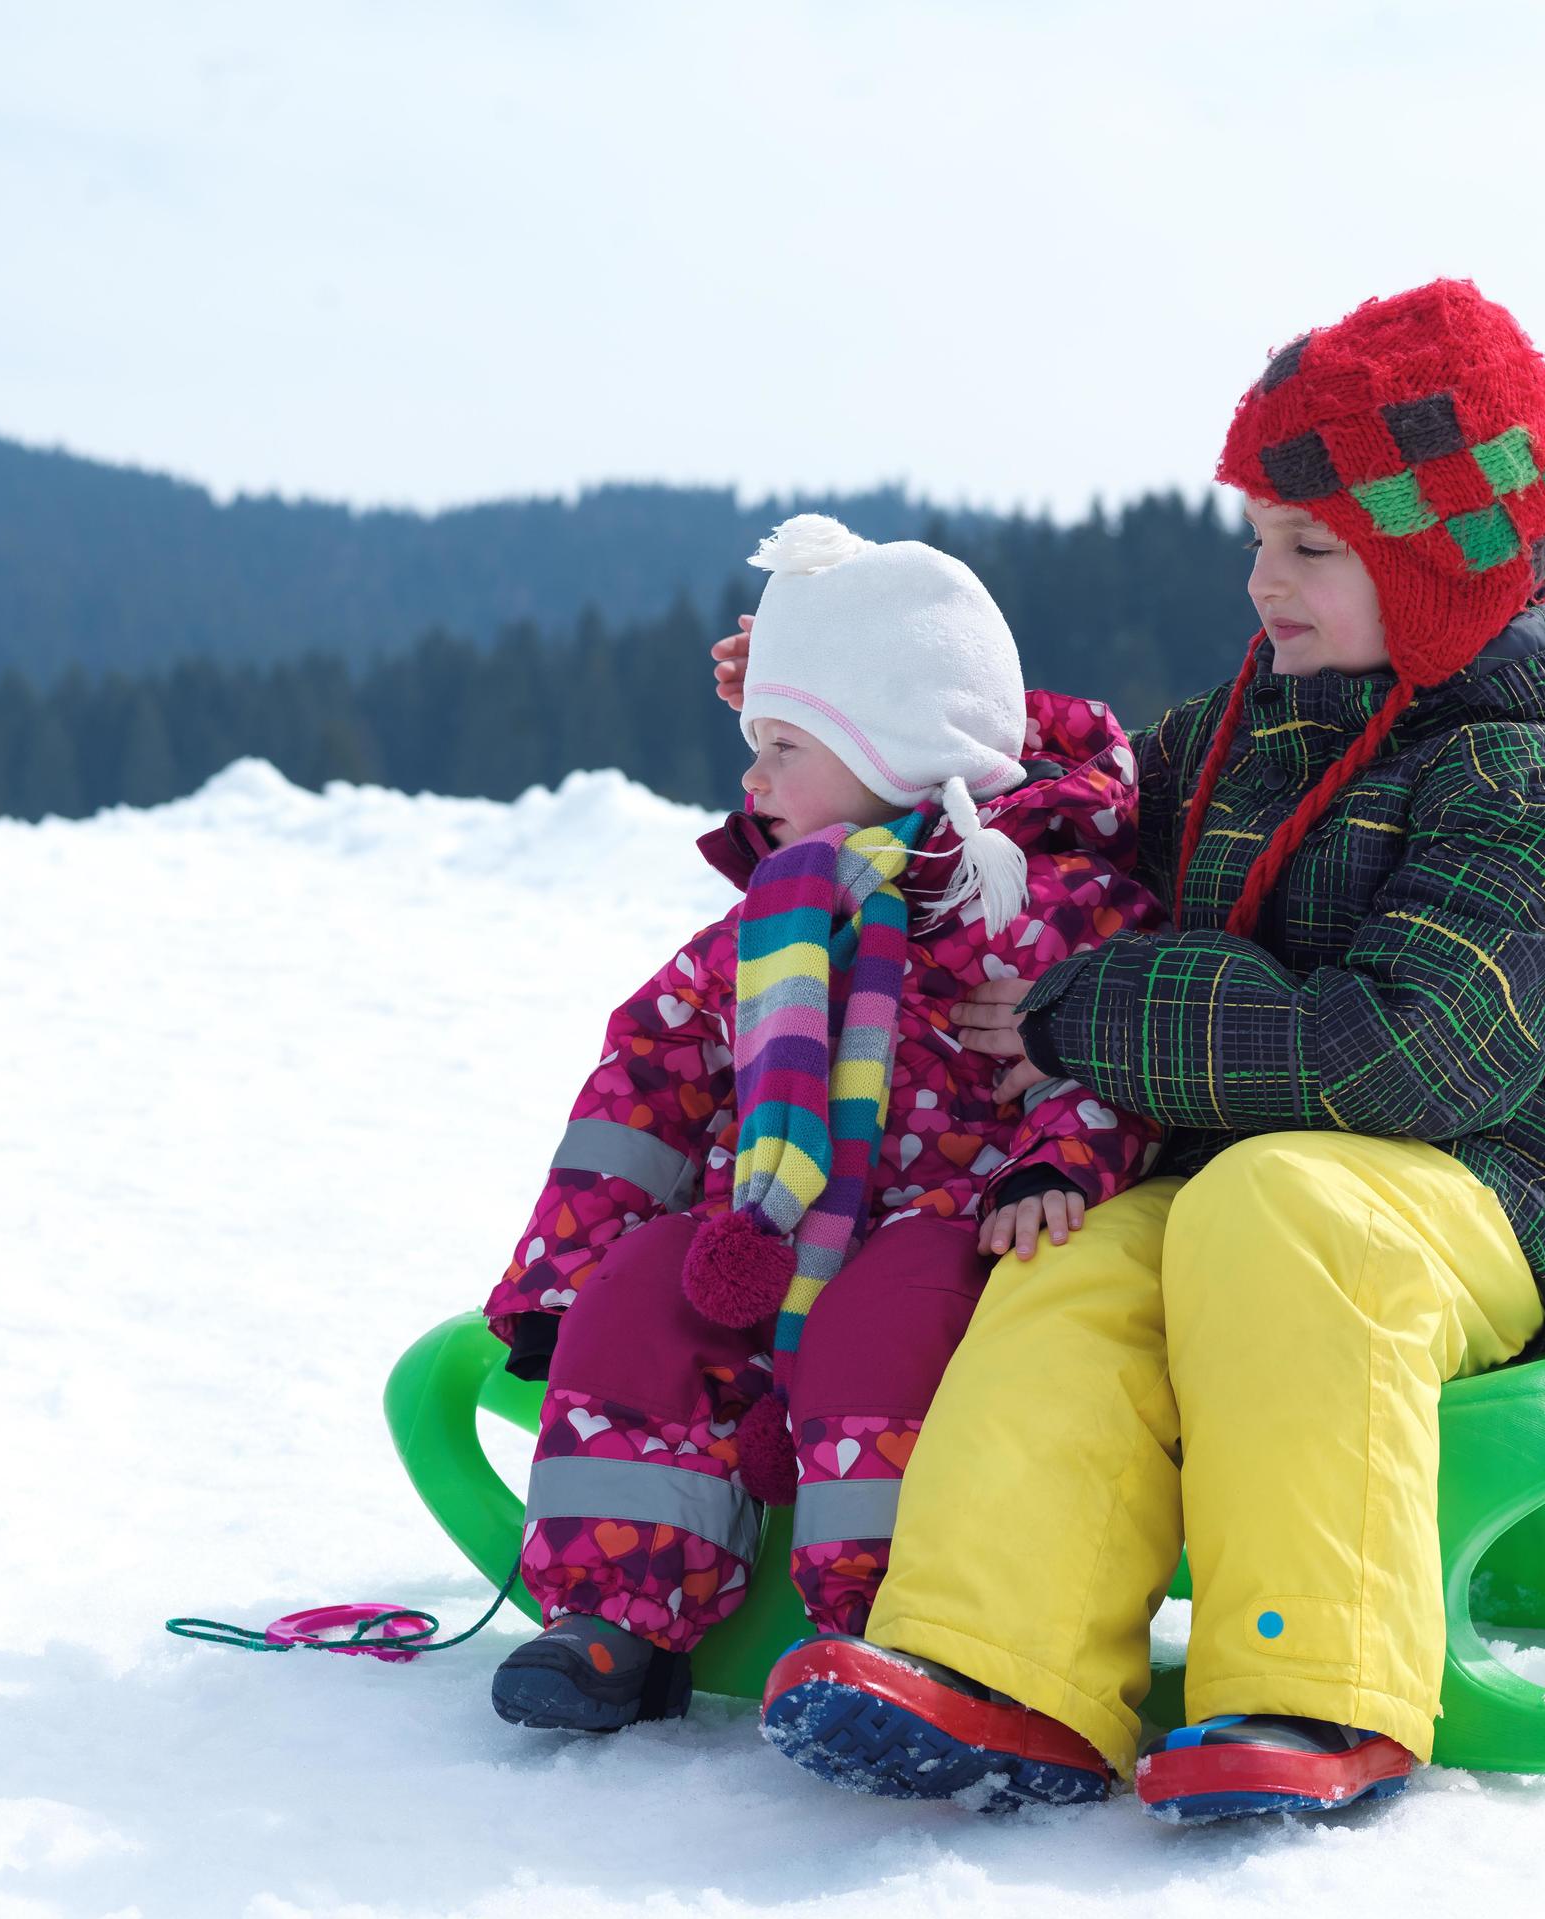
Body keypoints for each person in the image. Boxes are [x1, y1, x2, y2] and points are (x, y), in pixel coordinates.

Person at [714, 280, 1545, 1821]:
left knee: (1279, 1209)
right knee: (1069, 1262)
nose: (1263, 580)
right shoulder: (1234, 731)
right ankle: (993, 1662)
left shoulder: (1511, 779)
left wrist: (1105, 1011)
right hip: (1222, 1187)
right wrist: (853, 719)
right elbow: (1050, 815)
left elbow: (1414, 1056)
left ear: (1437, 563)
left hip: (1462, 1197)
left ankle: (1312, 1677)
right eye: (1259, 536)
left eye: (1311, 547)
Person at [484, 513, 1162, 1734]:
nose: (753, 782)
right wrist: (564, 1272)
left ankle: (895, 1622)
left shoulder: (1034, 906)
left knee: (884, 1325)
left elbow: (1110, 1053)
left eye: (784, 746)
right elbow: (644, 1083)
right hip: (772, 1221)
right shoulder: (767, 921)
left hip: (955, 1228)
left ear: (890, 746)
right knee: (645, 1291)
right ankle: (615, 1608)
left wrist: (1059, 1159)